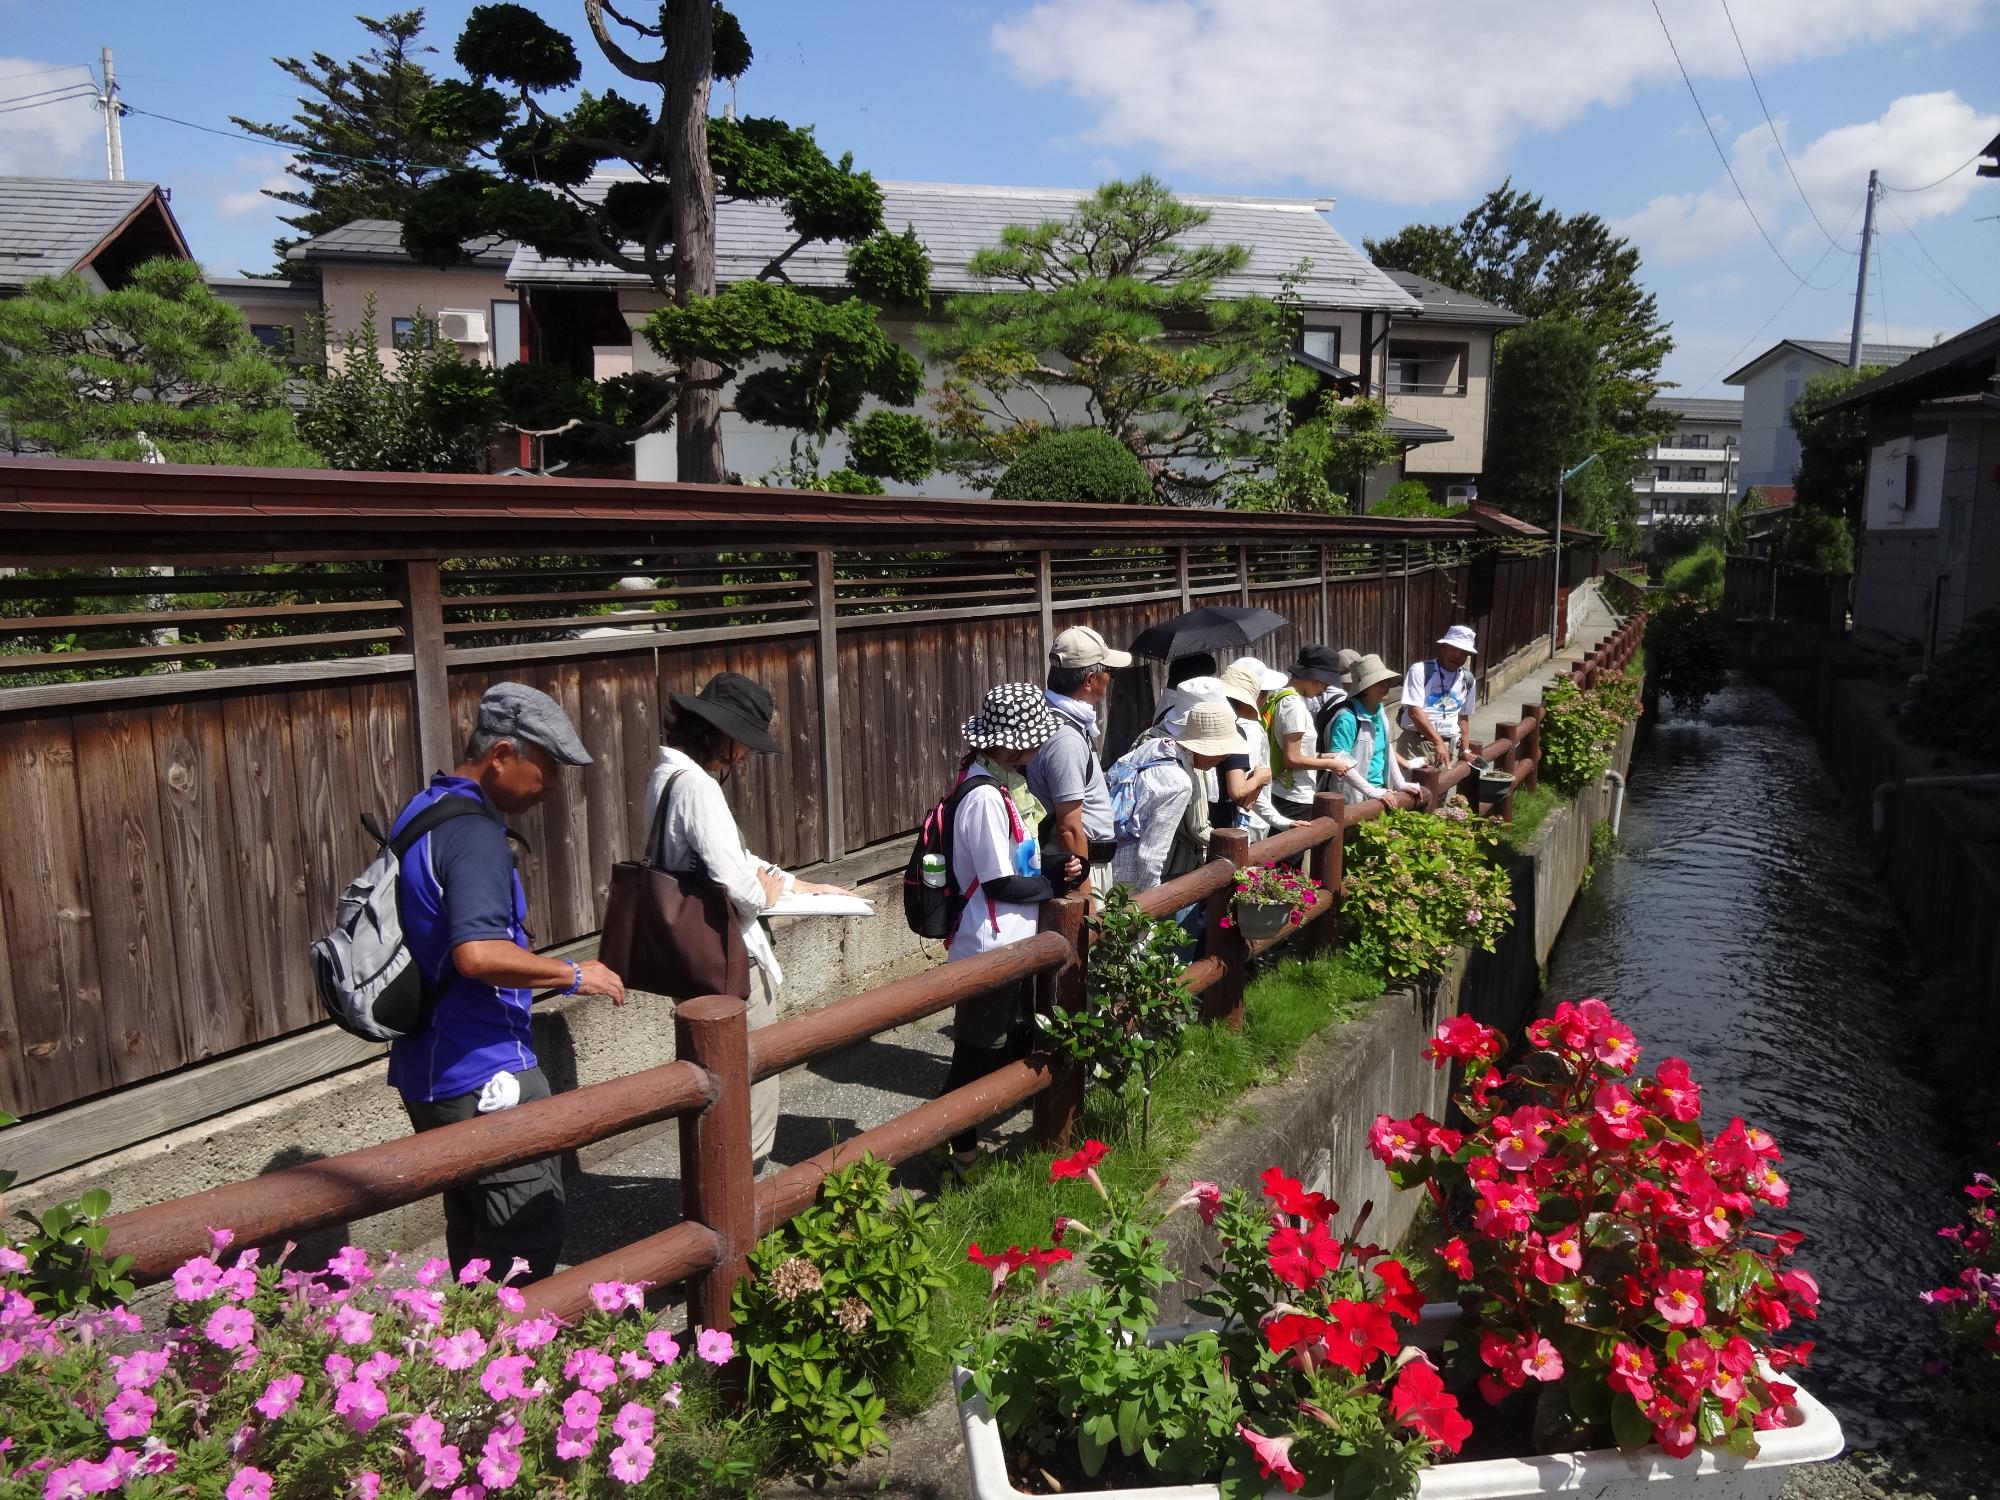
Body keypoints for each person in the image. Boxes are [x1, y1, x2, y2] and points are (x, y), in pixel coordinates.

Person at [390, 681, 627, 1284]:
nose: (550, 787)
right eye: (545, 769)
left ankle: (468, 1366)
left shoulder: (423, 809)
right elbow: (476, 953)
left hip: (429, 1066)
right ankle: (513, 1368)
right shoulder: (474, 835)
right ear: (501, 754)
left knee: (473, 1227)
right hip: (484, 1069)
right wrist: (574, 974)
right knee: (528, 1229)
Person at [644, 672, 853, 1171]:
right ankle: (748, 1198)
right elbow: (739, 885)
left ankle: (723, 1193)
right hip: (728, 957)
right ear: (722, 733)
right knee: (750, 1079)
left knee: (716, 1080)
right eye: (745, 745)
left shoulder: (666, 775)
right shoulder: (697, 786)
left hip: (689, 954)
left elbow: (730, 858)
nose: (745, 757)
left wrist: (800, 884)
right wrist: (769, 891)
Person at [939, 682, 1077, 1176]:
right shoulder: (983, 798)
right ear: (1011, 742)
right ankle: (960, 1154)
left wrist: (1052, 873)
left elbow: (1017, 870)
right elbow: (1000, 882)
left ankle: (974, 1144)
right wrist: (1048, 882)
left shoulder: (1001, 786)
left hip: (1010, 940)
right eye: (1035, 737)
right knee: (975, 1054)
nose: (1040, 746)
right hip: (988, 944)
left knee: (1012, 1039)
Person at [1025, 625, 1130, 899]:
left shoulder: (1056, 720)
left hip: (1081, 862)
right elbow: (1069, 828)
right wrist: (1084, 897)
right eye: (1110, 672)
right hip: (1078, 868)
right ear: (1090, 681)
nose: (1111, 678)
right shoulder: (1065, 738)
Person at [1110, 700, 1244, 892]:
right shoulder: (1178, 783)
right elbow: (1151, 854)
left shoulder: (1157, 746)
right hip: (1128, 877)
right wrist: (1151, 905)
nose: (1226, 757)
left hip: (1111, 856)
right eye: (1224, 750)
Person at [1265, 645, 1356, 824]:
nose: (1325, 688)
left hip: (1283, 790)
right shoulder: (1294, 706)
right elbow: (1292, 759)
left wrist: (1326, 756)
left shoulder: (1280, 695)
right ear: (1312, 676)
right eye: (1324, 681)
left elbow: (1295, 751)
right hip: (1294, 795)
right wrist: (1329, 764)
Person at [1326, 655, 1427, 810]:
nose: (1386, 685)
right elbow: (1340, 762)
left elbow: (1387, 749)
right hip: (1353, 798)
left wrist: (1400, 783)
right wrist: (1372, 791)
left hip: (1379, 790)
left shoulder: (1379, 711)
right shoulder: (1347, 718)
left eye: (1386, 681)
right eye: (1379, 682)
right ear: (1364, 689)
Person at [1400, 625, 1478, 771]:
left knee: (1441, 791)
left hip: (1449, 745)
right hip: (1417, 742)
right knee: (1414, 791)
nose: (1457, 655)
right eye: (1453, 649)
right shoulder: (1420, 670)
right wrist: (1438, 742)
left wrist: (1465, 749)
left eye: (1463, 652)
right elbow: (1414, 712)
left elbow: (1463, 716)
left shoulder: (1468, 679)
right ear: (1442, 647)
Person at [1214, 665, 1275, 836]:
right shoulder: (1233, 731)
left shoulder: (1200, 718)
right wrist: (1260, 778)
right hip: (1222, 823)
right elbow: (1238, 790)